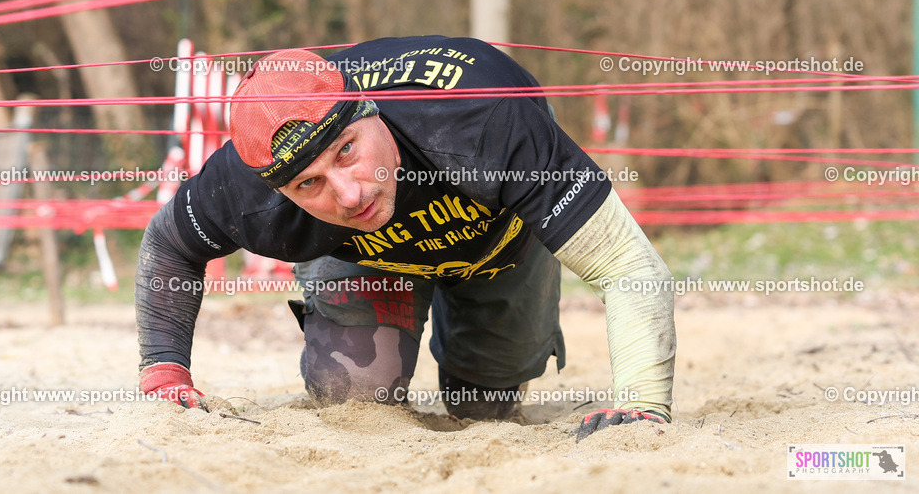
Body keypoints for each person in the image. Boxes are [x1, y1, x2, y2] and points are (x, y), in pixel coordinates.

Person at [136, 35, 676, 440]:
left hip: (500, 241)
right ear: (279, 189)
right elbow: (169, 244)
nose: (349, 194)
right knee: (354, 401)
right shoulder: (244, 187)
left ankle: (474, 340)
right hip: (373, 261)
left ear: (372, 109)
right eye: (311, 183)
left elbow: (629, 265)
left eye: (347, 150)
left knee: (483, 404)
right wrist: (164, 372)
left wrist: (643, 408)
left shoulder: (484, 117)